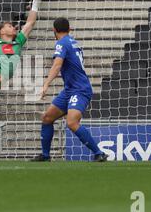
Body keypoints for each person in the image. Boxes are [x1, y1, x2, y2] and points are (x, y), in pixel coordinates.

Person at [32, 18, 108, 162]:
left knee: (72, 122)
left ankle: (99, 153)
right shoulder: (73, 42)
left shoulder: (61, 43)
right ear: (70, 29)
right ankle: (46, 155)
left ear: (54, 30)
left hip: (80, 89)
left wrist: (46, 84)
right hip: (70, 89)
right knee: (47, 118)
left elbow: (57, 65)